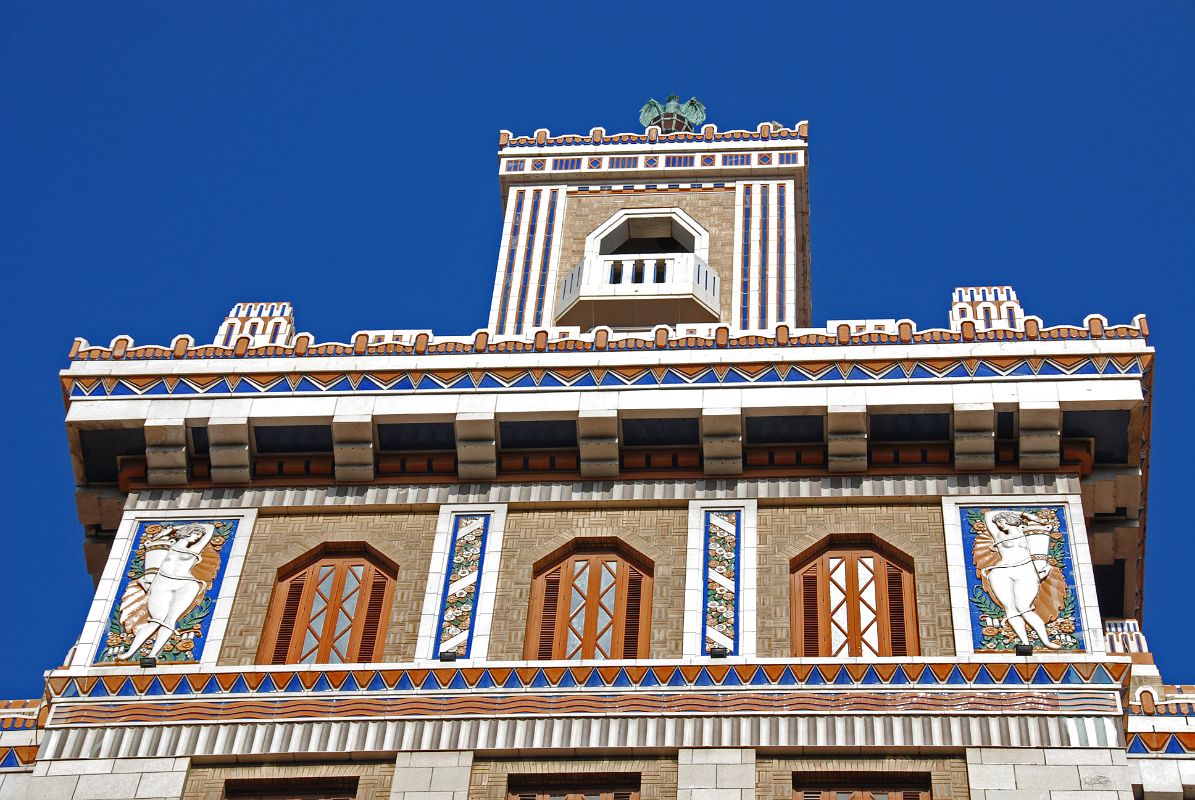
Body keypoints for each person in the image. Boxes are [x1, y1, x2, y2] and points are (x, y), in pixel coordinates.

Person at [115, 523, 215, 660]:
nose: (197, 538)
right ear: (187, 532)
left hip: (186, 584)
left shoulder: (196, 548)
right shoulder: (165, 545)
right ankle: (130, 653)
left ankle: (153, 654)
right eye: (195, 534)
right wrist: (172, 530)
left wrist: (176, 528)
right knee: (156, 620)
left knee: (171, 620)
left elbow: (210, 528)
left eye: (199, 536)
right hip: (163, 583)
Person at [981, 510, 1060, 649]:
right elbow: (988, 515)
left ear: (1010, 519)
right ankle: (1025, 644)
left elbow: (1040, 550)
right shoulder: (998, 534)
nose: (1000, 525)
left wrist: (1028, 517)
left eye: (1002, 521)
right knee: (1010, 609)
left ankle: (1046, 641)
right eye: (998, 523)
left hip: (1025, 571)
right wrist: (1024, 513)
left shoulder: (1028, 531)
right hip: (1001, 572)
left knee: (1024, 608)